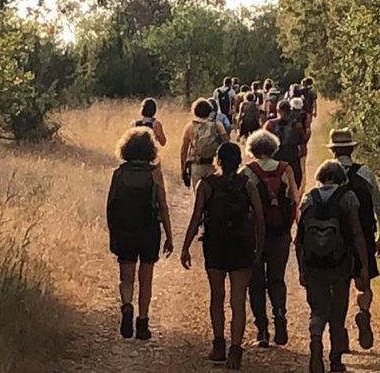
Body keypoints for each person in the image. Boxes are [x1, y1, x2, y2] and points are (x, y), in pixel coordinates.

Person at [181, 142, 265, 370]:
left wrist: (186, 246)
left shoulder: (206, 185)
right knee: (238, 300)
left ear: (218, 160)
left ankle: (218, 345)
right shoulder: (247, 185)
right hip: (242, 246)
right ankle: (236, 350)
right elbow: (259, 218)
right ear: (239, 161)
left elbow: (196, 217)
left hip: (216, 245)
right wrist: (259, 247)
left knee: (216, 296)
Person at [296, 161, 370, 373]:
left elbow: (300, 238)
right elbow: (357, 234)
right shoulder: (348, 198)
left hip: (312, 265)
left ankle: (316, 340)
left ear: (321, 176)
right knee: (338, 310)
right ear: (339, 178)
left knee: (317, 308)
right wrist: (363, 265)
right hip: (340, 264)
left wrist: (302, 268)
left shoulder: (309, 197)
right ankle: (336, 360)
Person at [106, 127, 173, 341]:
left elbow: (111, 205)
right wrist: (169, 236)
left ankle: (127, 306)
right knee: (146, 279)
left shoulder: (119, 174)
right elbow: (162, 206)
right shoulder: (154, 174)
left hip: (125, 230)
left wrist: (113, 233)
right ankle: (142, 322)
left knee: (126, 279)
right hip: (148, 231)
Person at [327, 128, 380, 350]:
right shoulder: (365, 172)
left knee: (339, 287)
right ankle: (363, 311)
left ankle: (340, 333)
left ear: (333, 150)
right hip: (364, 234)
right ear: (351, 150)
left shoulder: (326, 173)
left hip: (336, 240)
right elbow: (378, 204)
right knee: (363, 282)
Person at [242, 130, 300, 348]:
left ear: (253, 149)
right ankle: (279, 314)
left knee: (255, 283)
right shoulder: (285, 169)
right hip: (280, 233)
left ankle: (262, 330)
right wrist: (292, 228)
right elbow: (294, 200)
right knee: (277, 279)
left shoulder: (247, 171)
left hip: (255, 236)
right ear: (274, 148)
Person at [180, 98, 228, 190]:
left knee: (198, 195)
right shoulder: (217, 125)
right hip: (213, 165)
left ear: (194, 111)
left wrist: (183, 169)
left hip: (197, 165)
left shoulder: (190, 126)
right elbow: (226, 145)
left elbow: (184, 150)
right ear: (210, 111)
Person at [264, 99, 307, 189]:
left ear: (278, 110)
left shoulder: (269, 125)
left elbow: (263, 145)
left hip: (275, 161)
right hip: (292, 159)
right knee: (296, 181)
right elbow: (303, 150)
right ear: (290, 111)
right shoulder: (297, 126)